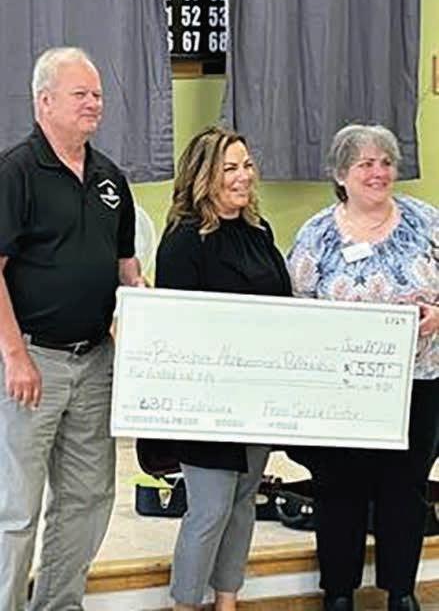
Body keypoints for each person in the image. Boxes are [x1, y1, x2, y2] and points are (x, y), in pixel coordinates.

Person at [0, 47, 143, 610]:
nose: (94, 104)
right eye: (80, 94)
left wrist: (152, 308)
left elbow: (127, 268)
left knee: (87, 500)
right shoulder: (15, 172)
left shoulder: (110, 178)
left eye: (98, 94)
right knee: (16, 507)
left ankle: (59, 604)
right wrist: (15, 356)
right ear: (44, 102)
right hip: (32, 363)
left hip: (96, 361)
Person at [286, 124, 439, 611]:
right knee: (338, 489)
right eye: (365, 164)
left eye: (386, 163)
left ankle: (401, 591)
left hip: (417, 384)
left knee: (406, 488)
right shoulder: (317, 235)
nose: (378, 173)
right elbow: (295, 310)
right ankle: (338, 591)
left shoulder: (427, 223)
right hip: (341, 391)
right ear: (340, 175)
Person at [155, 126, 292, 611]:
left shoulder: (260, 232)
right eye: (229, 168)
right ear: (203, 176)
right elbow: (174, 329)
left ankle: (228, 601)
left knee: (241, 505)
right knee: (210, 509)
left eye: (247, 165)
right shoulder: (183, 241)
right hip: (206, 402)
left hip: (256, 396)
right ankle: (186, 604)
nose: (243, 176)